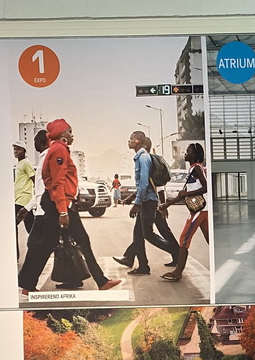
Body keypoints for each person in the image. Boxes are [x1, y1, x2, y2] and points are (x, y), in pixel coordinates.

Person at [17, 118, 119, 294]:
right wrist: (63, 211)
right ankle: (101, 282)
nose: (72, 135)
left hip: (57, 203)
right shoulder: (58, 150)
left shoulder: (59, 149)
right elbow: (57, 183)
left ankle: (27, 284)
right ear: (61, 133)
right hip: (58, 204)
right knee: (81, 241)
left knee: (48, 244)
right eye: (69, 131)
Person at [115, 131, 179, 275]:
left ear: (137, 141)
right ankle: (143, 266)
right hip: (147, 201)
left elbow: (144, 184)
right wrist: (133, 199)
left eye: (131, 139)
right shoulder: (140, 157)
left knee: (148, 234)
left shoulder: (143, 158)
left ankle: (176, 250)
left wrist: (136, 204)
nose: (129, 141)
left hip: (148, 202)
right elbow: (143, 185)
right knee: (138, 236)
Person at [158, 142, 209, 281]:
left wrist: (185, 195)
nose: (185, 153)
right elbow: (184, 193)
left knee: (184, 238)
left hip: (200, 210)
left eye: (188, 151)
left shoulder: (196, 168)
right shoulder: (193, 169)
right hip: (202, 209)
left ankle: (178, 272)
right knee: (210, 238)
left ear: (195, 155)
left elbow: (205, 187)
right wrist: (167, 204)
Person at [13, 141, 35, 255]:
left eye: (18, 149)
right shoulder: (19, 164)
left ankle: (15, 254)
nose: (16, 151)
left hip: (24, 199)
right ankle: (39, 248)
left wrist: (36, 198)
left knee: (12, 225)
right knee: (31, 228)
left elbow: (34, 179)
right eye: (14, 149)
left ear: (24, 151)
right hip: (19, 199)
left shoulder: (26, 163)